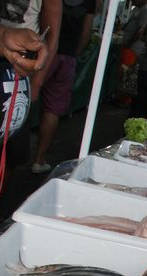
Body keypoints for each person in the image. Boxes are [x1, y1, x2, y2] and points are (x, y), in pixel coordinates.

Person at [31, 0, 95, 174]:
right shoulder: (90, 3)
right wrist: (74, 53)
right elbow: (87, 31)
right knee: (53, 110)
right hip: (67, 57)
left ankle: (13, 150)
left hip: (42, 50)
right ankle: (39, 159)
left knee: (26, 98)